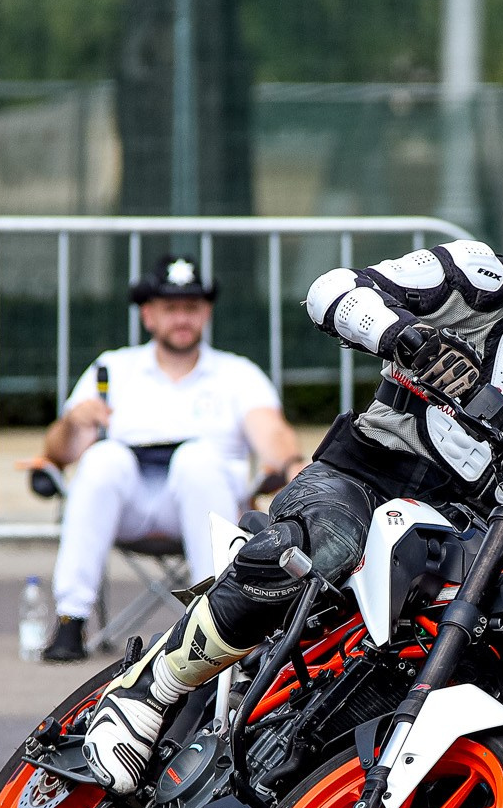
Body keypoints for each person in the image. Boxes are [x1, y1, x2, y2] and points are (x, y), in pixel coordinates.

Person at [79, 163, 503, 796]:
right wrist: (405, 337)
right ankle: (151, 688)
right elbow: (332, 291)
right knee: (318, 547)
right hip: (372, 476)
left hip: (480, 544)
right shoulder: (484, 282)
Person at [40, 259, 307, 663]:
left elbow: (270, 431)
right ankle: (70, 618)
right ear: (148, 315)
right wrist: (73, 422)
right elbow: (60, 453)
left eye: (192, 308)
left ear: (206, 313)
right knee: (104, 458)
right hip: (128, 507)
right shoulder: (112, 368)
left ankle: (218, 620)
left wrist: (291, 465)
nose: (182, 318)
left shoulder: (236, 373)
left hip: (208, 508)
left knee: (196, 459)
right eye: (170, 308)